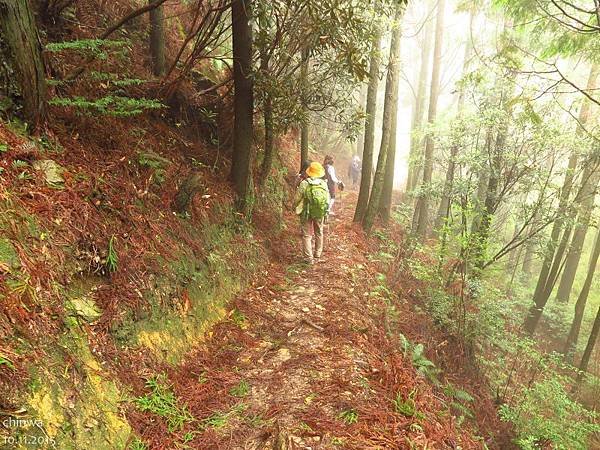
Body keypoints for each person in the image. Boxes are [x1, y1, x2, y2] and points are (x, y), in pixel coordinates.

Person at [294, 161, 330, 264]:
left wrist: (294, 207)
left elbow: (297, 198)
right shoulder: (323, 184)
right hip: (320, 212)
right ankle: (318, 254)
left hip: (306, 212)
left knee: (307, 235)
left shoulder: (305, 183)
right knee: (319, 232)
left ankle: (308, 258)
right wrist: (326, 211)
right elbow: (327, 199)